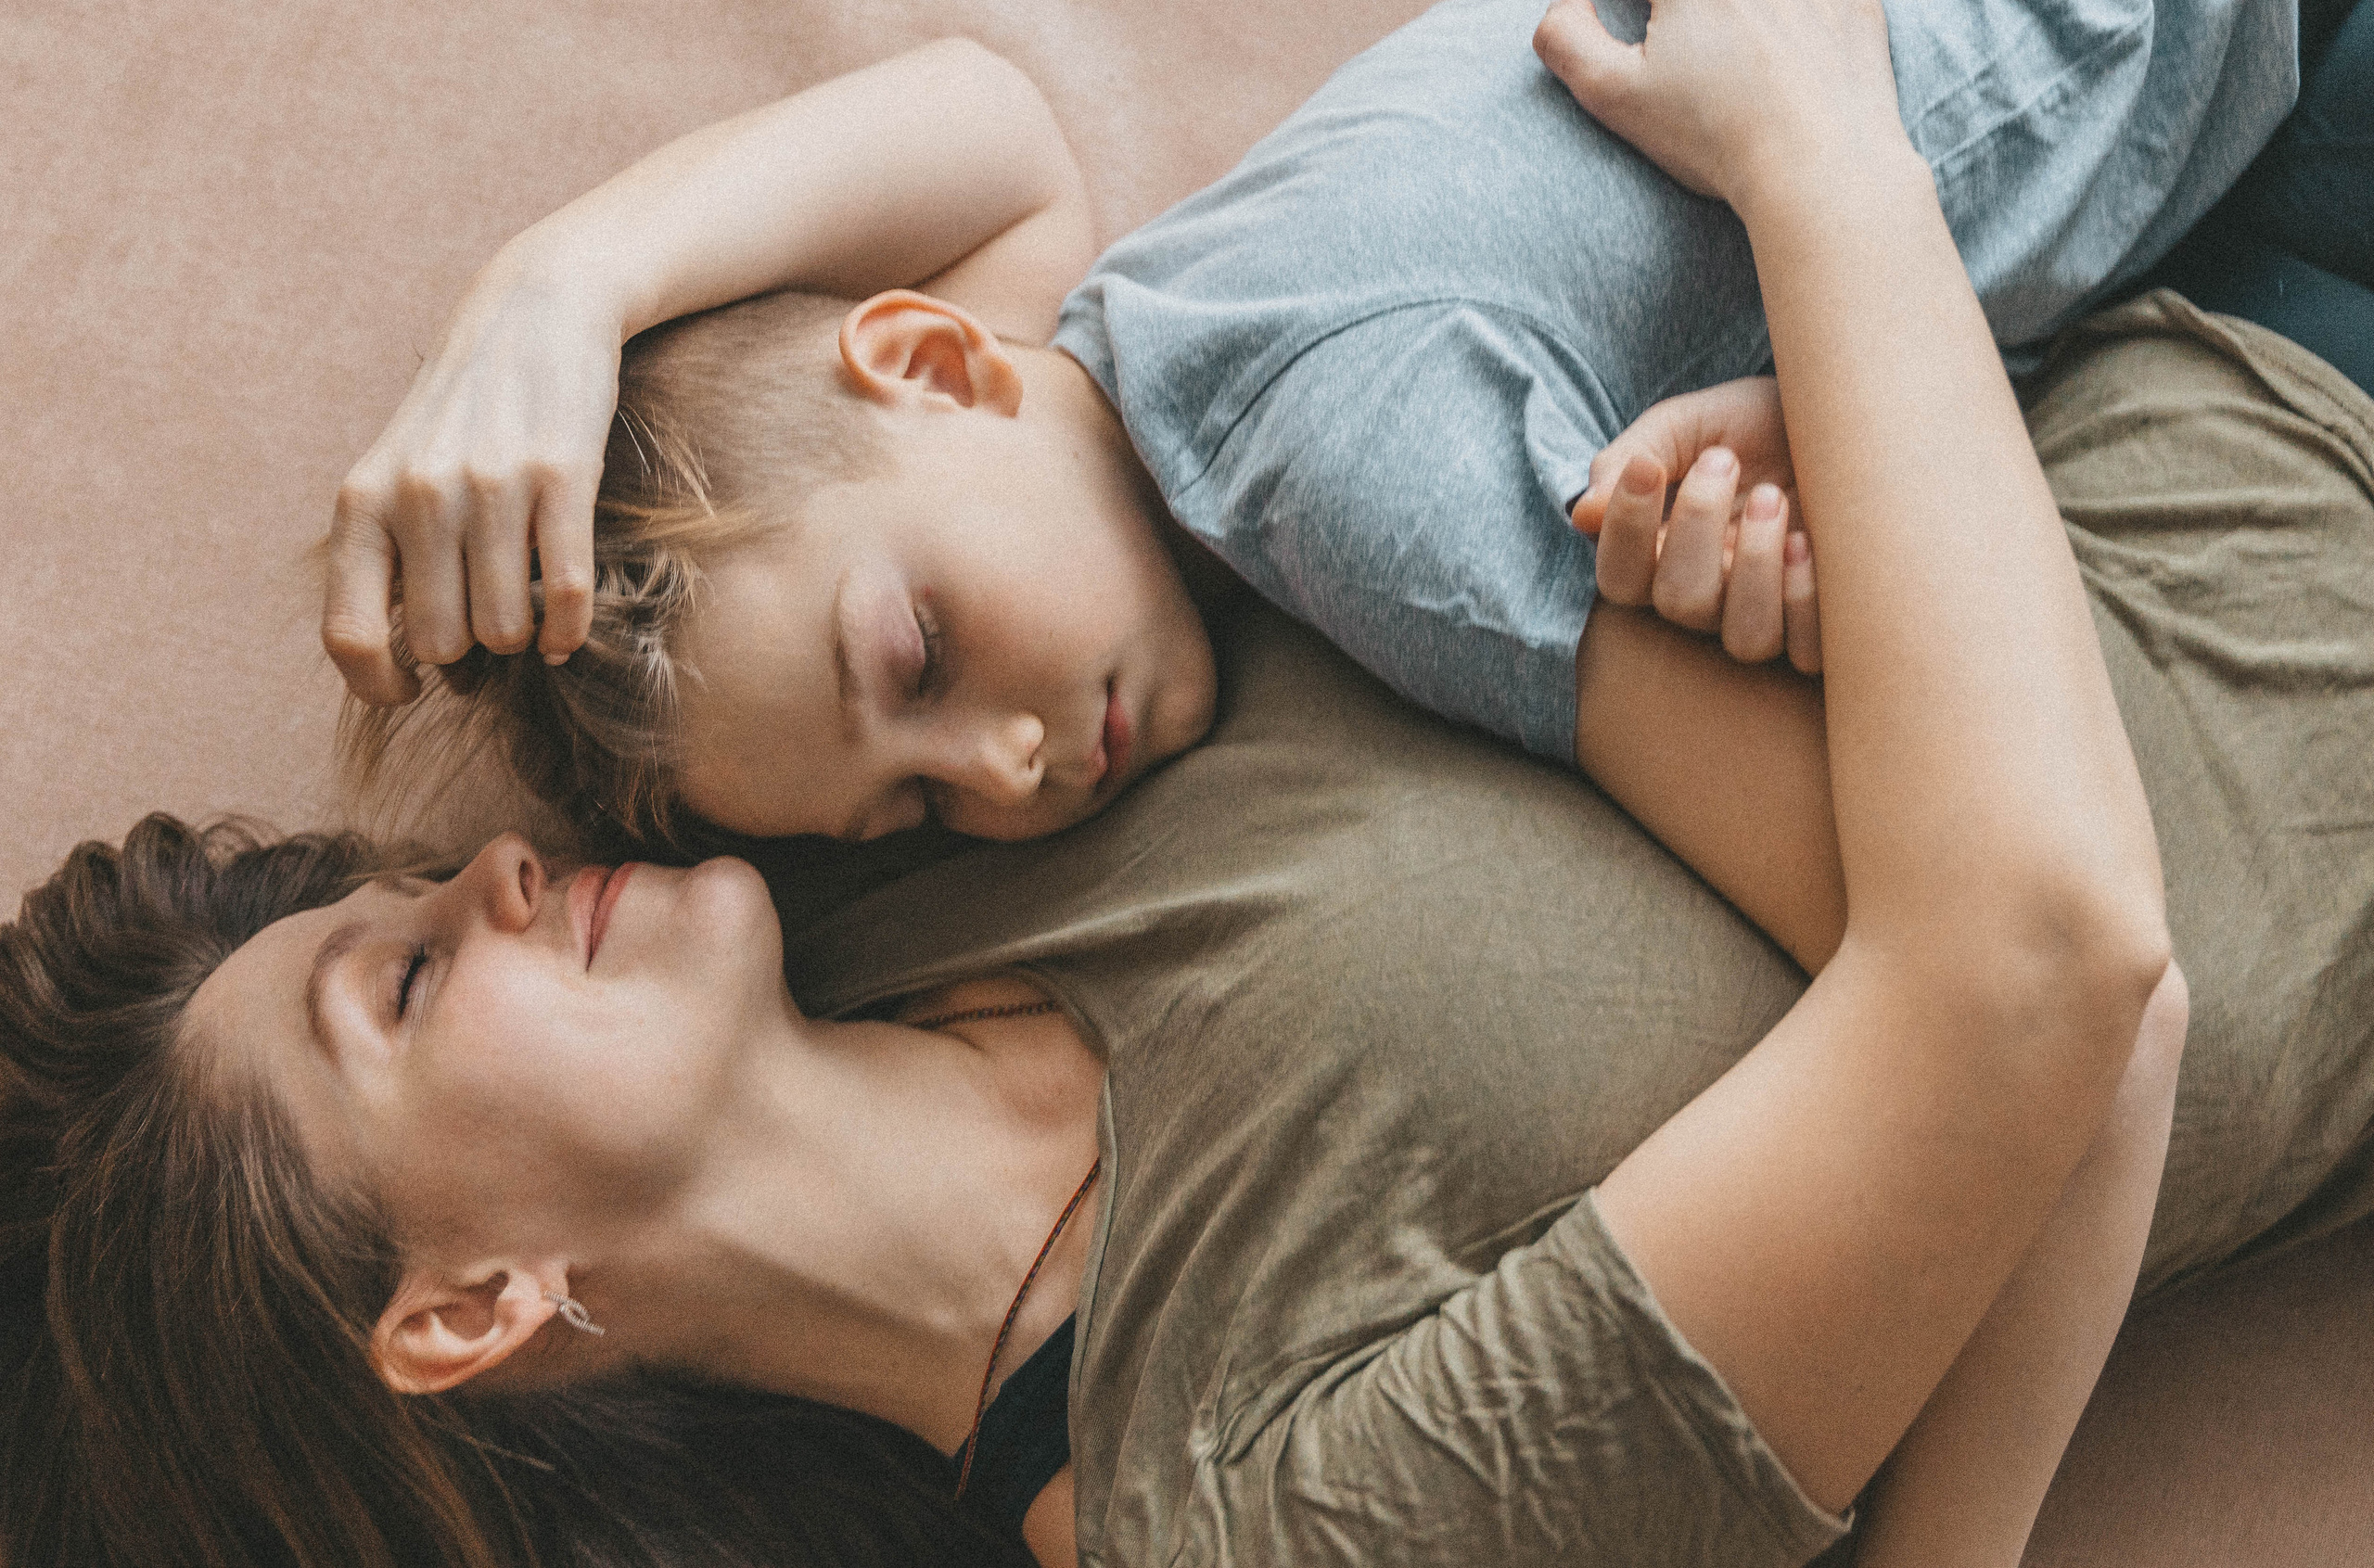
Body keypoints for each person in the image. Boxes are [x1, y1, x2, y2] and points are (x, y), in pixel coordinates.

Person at [2, 5, 2194, 1566]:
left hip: (2142, 241)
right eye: (391, 990)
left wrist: (553, 291)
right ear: (467, 1309)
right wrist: (1820, 155)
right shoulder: (1251, 1501)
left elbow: (986, 159)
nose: (489, 866)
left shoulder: (846, 838)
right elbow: (2056, 975)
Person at [322, 0, 2295, 857]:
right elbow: (979, 125)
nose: (1007, 771)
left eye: (912, 663)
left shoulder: (1334, 481)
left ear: (933, 362)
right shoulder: (1136, 339)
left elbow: (1950, 895)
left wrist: (554, 293)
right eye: (910, 811)